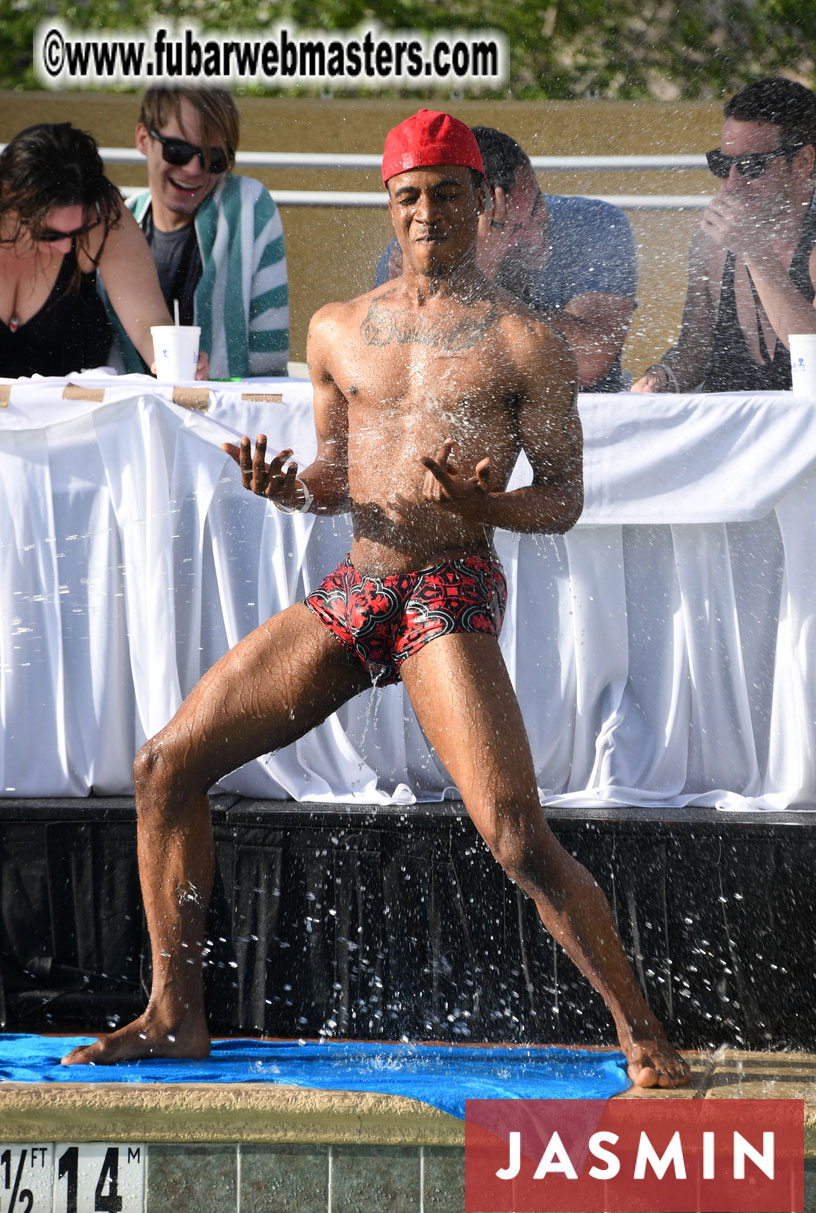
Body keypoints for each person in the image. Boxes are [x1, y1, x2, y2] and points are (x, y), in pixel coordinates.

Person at [63, 109, 688, 1089]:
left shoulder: (527, 343)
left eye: (447, 193)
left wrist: (495, 503)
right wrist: (289, 488)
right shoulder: (336, 329)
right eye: (410, 196)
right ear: (388, 207)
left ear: (482, 203)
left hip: (448, 592)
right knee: (165, 764)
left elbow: (564, 501)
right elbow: (337, 476)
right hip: (359, 589)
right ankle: (173, 1015)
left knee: (517, 836)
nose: (429, 211)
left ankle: (646, 1037)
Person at [374, 124, 637, 391]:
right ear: (465, 221)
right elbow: (415, 374)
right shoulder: (415, 250)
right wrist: (475, 270)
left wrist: (472, 289)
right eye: (513, 229)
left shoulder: (592, 226)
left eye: (536, 207)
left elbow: (589, 359)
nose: (536, 237)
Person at [633, 77, 816, 393]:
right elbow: (696, 349)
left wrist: (755, 252)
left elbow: (811, 358)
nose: (731, 183)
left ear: (802, 162)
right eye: (722, 163)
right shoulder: (712, 243)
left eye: (750, 165)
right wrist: (662, 378)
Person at [108, 86, 289, 379]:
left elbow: (269, 359)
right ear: (143, 139)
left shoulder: (249, 206)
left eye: (213, 158)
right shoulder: (119, 224)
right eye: (177, 151)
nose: (194, 169)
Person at [0, 122, 173, 379]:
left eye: (78, 231)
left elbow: (148, 324)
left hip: (77, 412)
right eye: (48, 234)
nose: (66, 246)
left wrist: (171, 360)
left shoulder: (104, 215)